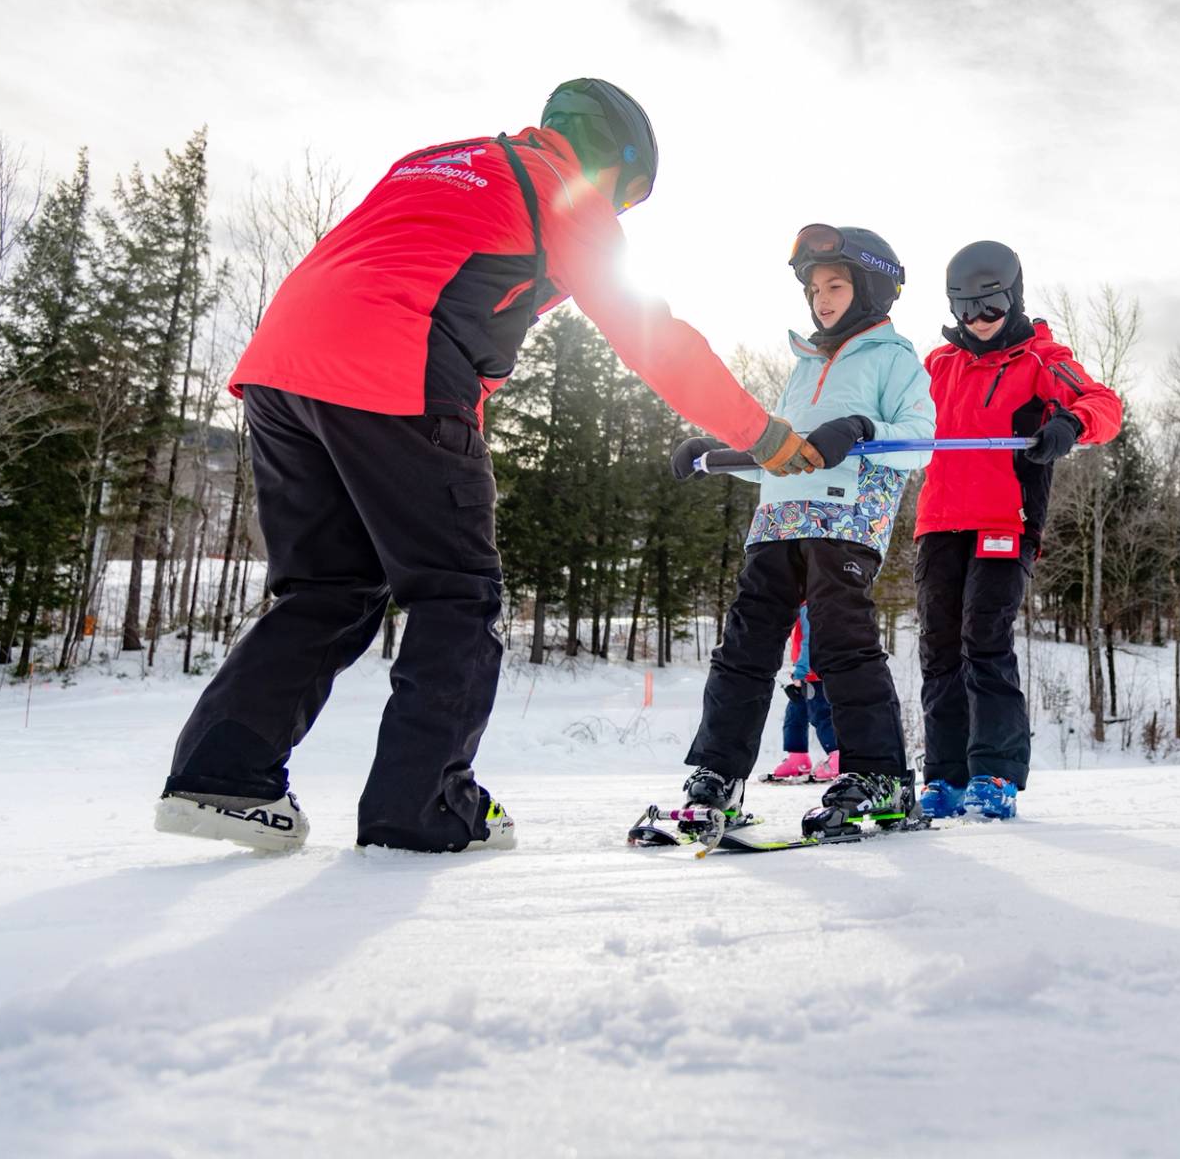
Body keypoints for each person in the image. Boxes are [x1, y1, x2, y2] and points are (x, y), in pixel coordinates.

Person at [155, 78, 821, 854]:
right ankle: (423, 805)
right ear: (617, 163)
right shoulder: (564, 193)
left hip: (280, 367)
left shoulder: (440, 160)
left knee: (325, 588)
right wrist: (761, 432)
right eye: (628, 198)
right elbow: (649, 335)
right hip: (393, 365)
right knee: (455, 593)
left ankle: (222, 777)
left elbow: (403, 271)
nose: (619, 215)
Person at [670, 224, 933, 835]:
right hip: (777, 521)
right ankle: (718, 773)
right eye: (814, 288)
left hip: (845, 519)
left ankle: (879, 776)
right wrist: (718, 452)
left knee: (841, 645)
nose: (822, 298)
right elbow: (783, 453)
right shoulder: (804, 365)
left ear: (870, 288)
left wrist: (862, 428)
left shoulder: (895, 359)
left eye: (836, 284)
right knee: (743, 649)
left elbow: (920, 439)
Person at [913, 240, 1123, 820]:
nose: (979, 322)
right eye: (967, 311)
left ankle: (995, 773)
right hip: (939, 523)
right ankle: (945, 776)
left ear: (1016, 297)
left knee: (984, 640)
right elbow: (893, 412)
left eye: (992, 307)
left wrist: (1067, 423)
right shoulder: (937, 365)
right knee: (939, 648)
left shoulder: (1039, 358)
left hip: (1006, 520)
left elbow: (1103, 403)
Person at [764, 605, 839, 783]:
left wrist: (801, 670)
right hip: (805, 673)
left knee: (821, 715)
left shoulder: (810, 607)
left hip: (814, 674)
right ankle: (798, 758)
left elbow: (809, 641)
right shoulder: (799, 608)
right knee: (795, 714)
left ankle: (837, 756)